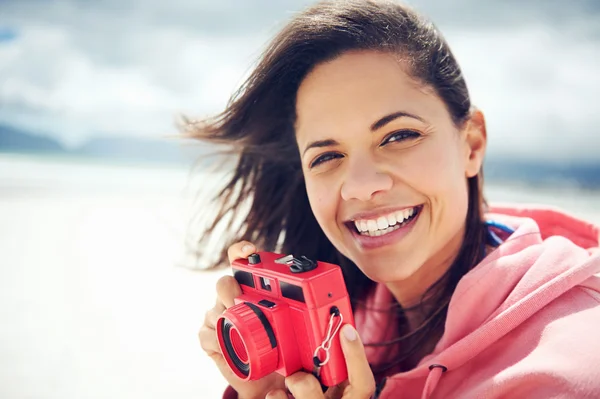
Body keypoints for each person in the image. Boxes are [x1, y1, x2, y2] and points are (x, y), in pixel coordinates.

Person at [193, 1, 600, 398]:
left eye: (398, 136)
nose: (360, 186)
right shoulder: (342, 328)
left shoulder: (566, 370)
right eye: (327, 157)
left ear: (471, 144)